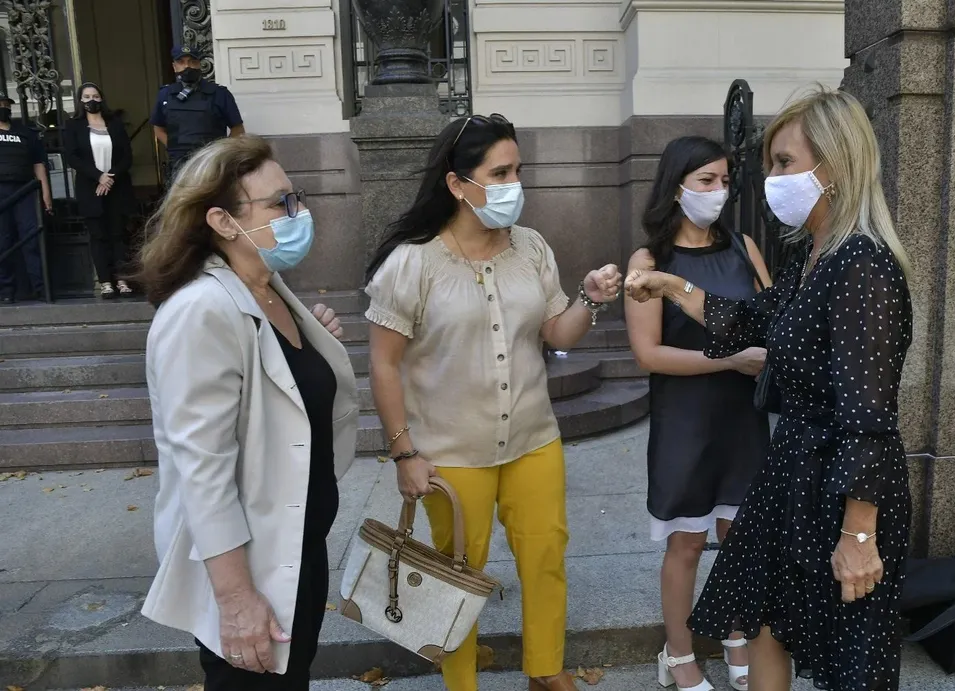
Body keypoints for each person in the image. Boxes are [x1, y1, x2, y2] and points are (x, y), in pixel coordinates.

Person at [625, 87, 913, 691]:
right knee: (770, 627)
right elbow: (753, 320)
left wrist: (859, 533)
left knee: (849, 665)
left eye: (784, 163)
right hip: (795, 475)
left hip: (839, 486)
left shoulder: (863, 265)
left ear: (832, 165)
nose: (768, 181)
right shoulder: (814, 256)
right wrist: (671, 287)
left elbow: (868, 415)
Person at [363, 113, 621, 691]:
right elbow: (383, 362)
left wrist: (589, 298)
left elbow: (556, 333)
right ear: (457, 184)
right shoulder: (414, 261)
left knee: (545, 558)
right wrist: (405, 453)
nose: (513, 185)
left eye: (518, 171)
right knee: (458, 575)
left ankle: (546, 671)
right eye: (499, 173)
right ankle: (462, 685)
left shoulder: (530, 247)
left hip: (533, 439)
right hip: (451, 453)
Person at [138, 135, 359, 691]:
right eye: (279, 204)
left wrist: (312, 349)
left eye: (297, 198)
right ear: (223, 220)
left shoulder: (269, 290)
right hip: (249, 571)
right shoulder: (201, 310)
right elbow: (202, 471)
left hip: (296, 546)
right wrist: (236, 601)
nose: (299, 213)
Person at [625, 136, 771, 691]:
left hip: (743, 418)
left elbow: (768, 318)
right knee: (685, 541)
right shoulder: (649, 262)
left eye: (724, 181)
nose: (719, 192)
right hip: (686, 417)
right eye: (706, 181)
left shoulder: (744, 247)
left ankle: (736, 634)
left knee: (741, 534)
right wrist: (730, 358)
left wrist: (752, 355)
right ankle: (679, 652)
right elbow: (649, 354)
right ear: (676, 187)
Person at [63, 82, 137, 298]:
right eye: (86, 97)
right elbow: (72, 156)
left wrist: (110, 176)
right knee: (98, 236)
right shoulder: (73, 125)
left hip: (116, 186)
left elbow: (126, 155)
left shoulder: (114, 123)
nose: (91, 100)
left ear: (102, 98)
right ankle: (105, 282)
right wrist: (99, 177)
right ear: (80, 101)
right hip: (91, 188)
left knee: (118, 235)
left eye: (95, 96)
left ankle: (122, 280)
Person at [151, 45, 245, 183]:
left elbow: (238, 129)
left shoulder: (219, 94)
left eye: (191, 61)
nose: (187, 67)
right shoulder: (165, 94)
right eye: (181, 62)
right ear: (174, 66)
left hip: (211, 166)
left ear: (199, 64)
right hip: (180, 167)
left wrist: (219, 153)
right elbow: (158, 128)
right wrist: (174, 148)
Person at [0, 91, 52, 303]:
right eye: (0, 104)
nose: (4, 107)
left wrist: (46, 195)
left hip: (24, 191)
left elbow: (39, 165)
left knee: (32, 240)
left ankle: (41, 287)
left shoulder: (25, 132)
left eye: (6, 104)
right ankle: (6, 290)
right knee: (2, 242)